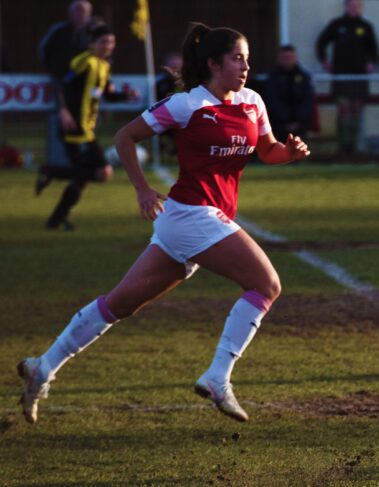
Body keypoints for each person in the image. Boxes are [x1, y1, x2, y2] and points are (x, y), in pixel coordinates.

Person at [16, 23, 311, 425]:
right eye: (237, 58)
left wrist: (289, 154)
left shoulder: (252, 102)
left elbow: (269, 151)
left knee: (120, 304)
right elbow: (124, 137)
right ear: (212, 63)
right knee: (267, 284)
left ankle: (43, 366)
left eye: (247, 59)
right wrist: (141, 189)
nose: (245, 66)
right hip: (192, 214)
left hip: (189, 221)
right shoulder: (186, 104)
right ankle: (217, 377)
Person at [35, 24, 136, 231]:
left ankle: (54, 220)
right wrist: (62, 110)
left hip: (87, 128)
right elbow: (62, 84)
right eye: (103, 42)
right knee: (102, 172)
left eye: (111, 42)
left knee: (82, 177)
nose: (108, 46)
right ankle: (49, 171)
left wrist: (126, 95)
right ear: (92, 44)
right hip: (74, 127)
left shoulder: (104, 66)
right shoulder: (84, 62)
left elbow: (106, 94)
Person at [38, 0, 97, 168]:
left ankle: (83, 161)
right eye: (77, 11)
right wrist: (54, 70)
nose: (80, 14)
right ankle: (68, 163)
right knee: (65, 121)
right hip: (63, 82)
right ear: (70, 13)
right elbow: (44, 52)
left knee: (87, 119)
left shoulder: (94, 32)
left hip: (86, 86)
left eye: (84, 11)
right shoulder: (59, 31)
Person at [315, 0, 377, 155]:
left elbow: (374, 49)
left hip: (359, 78)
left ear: (361, 7)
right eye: (351, 5)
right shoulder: (337, 25)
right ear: (346, 6)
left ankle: (354, 147)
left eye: (357, 5)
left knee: (356, 109)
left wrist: (371, 63)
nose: (354, 8)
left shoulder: (366, 27)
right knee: (344, 109)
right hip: (340, 76)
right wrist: (324, 61)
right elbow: (321, 42)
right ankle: (343, 146)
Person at [263, 45, 315, 141]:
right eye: (285, 58)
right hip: (278, 125)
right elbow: (271, 100)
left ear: (295, 58)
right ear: (279, 59)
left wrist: (297, 120)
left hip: (301, 125)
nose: (288, 61)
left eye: (290, 58)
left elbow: (308, 100)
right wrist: (285, 120)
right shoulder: (273, 77)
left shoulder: (304, 77)